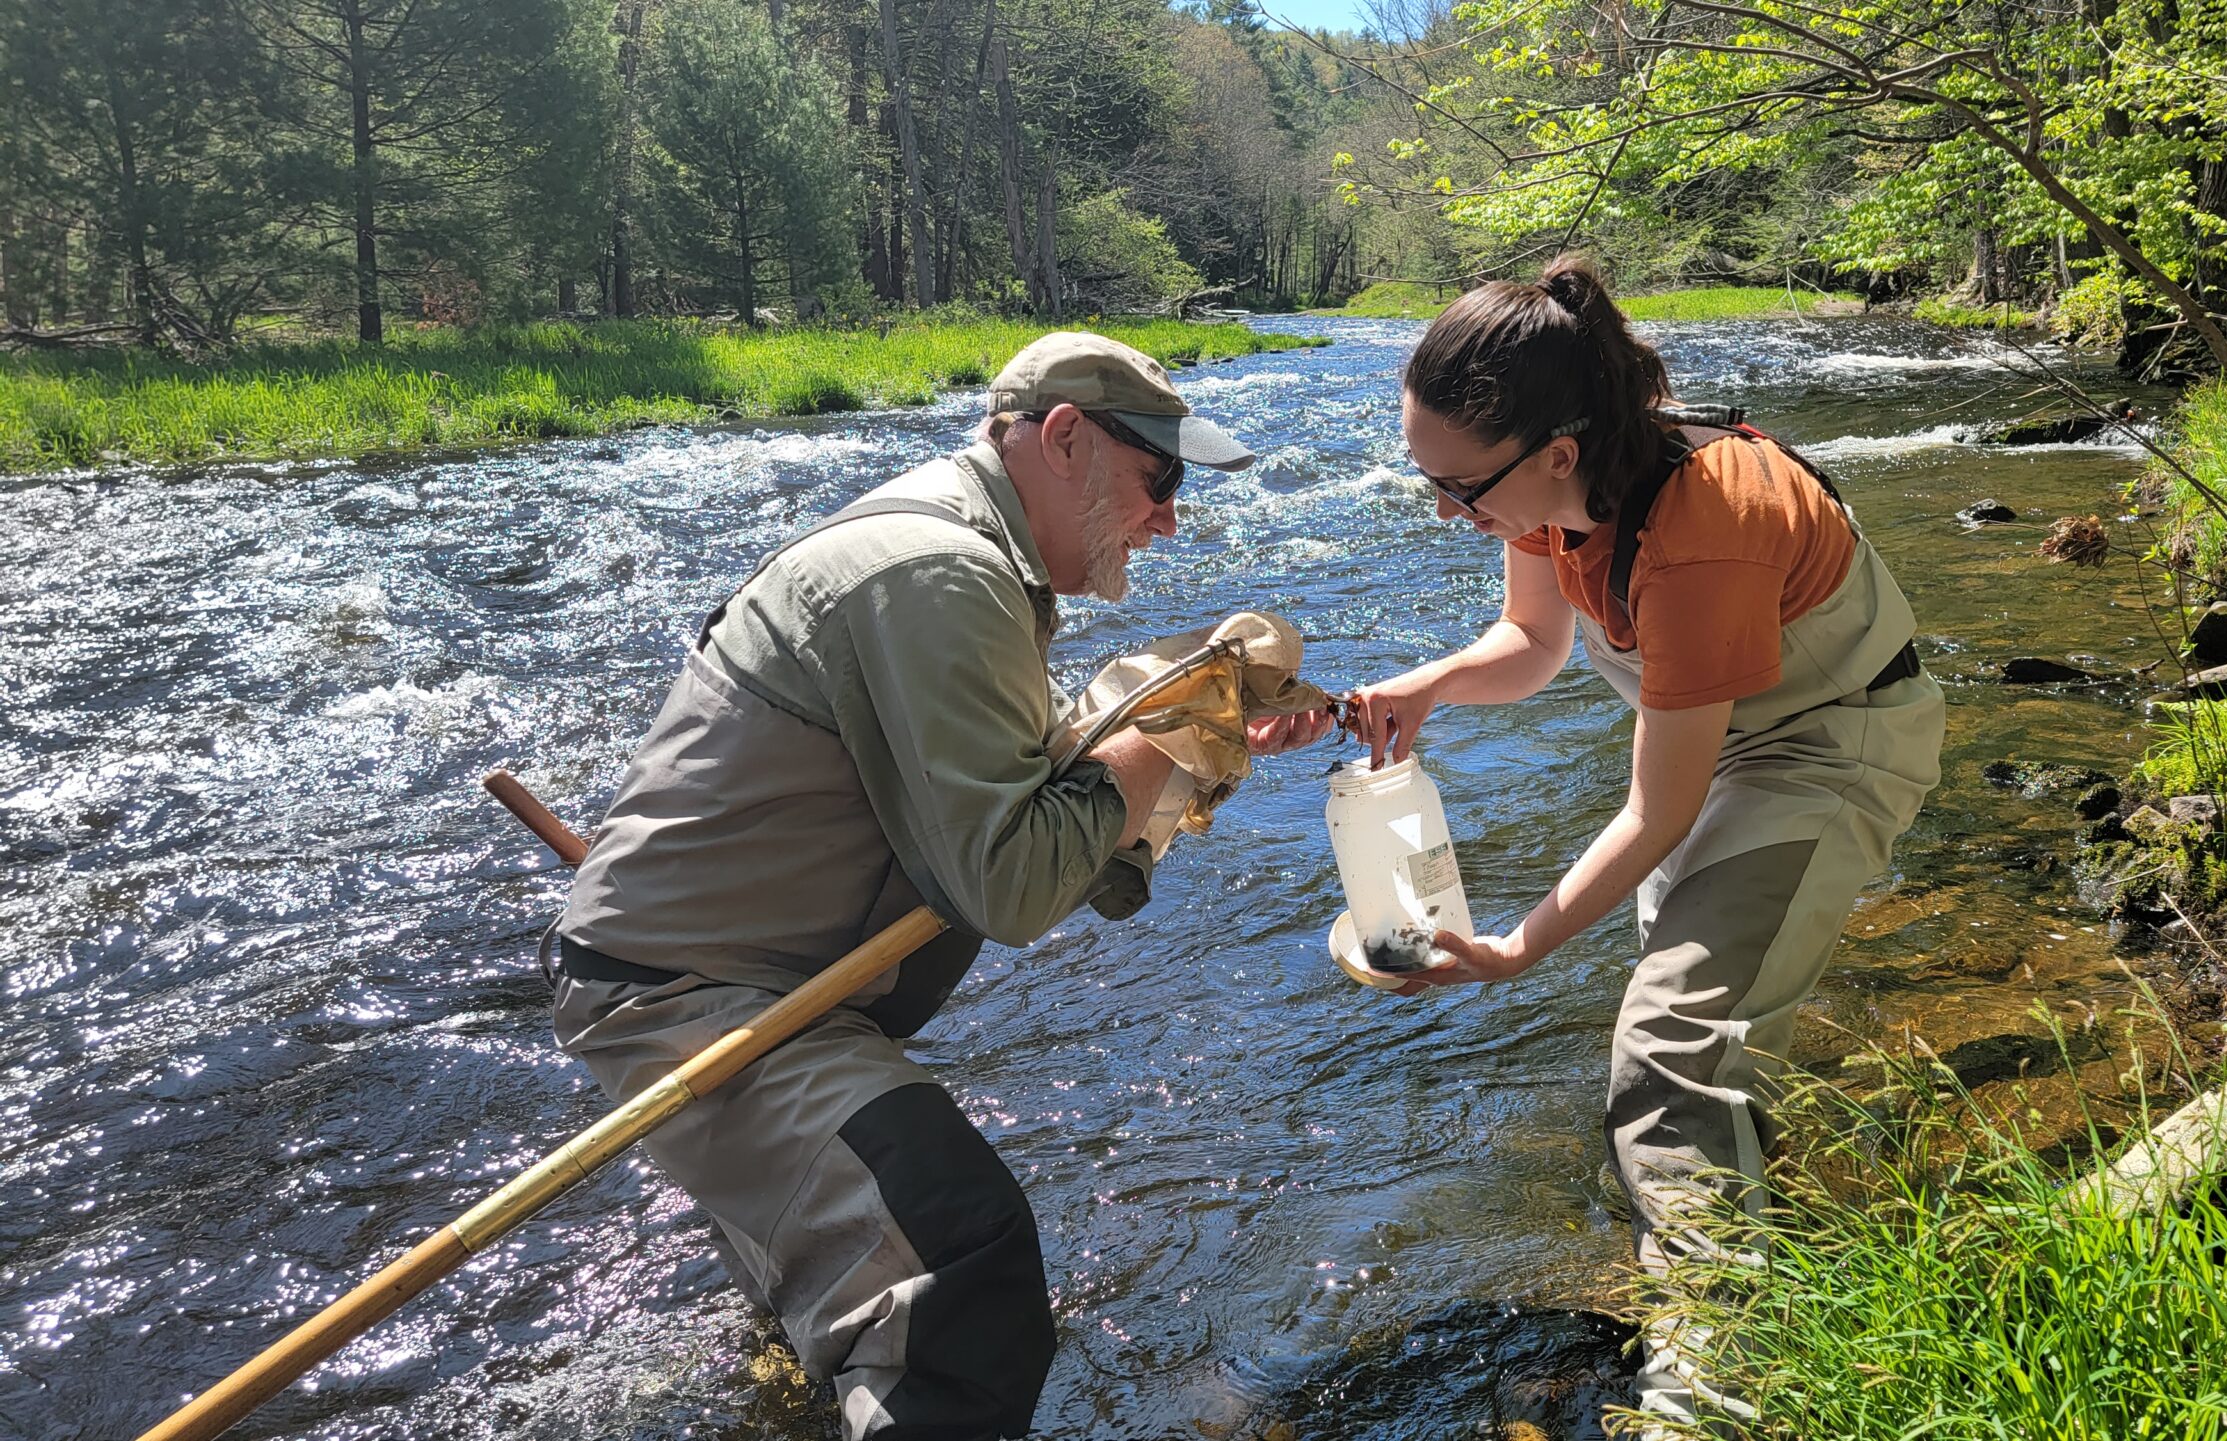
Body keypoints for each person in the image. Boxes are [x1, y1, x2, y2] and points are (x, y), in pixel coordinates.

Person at [548, 332, 1327, 1439]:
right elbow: (1008, 884)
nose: (1169, 517)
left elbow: (1040, 813)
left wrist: (1196, 724)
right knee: (960, 1266)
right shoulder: (939, 573)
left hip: (768, 987)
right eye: (1162, 478)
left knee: (863, 1305)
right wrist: (1178, 716)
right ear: (1064, 439)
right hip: (696, 1006)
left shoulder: (962, 555)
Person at [1342, 259, 1944, 1424]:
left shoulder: (1705, 527)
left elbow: (1653, 811)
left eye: (1458, 488)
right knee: (1700, 1022)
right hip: (1725, 748)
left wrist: (1519, 944)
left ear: (1555, 451)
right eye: (1428, 479)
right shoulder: (1554, 483)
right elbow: (1528, 644)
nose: (1444, 512)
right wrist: (1422, 686)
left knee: (1669, 1049)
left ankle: (1718, 1386)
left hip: (1835, 747)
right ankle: (1756, 1246)